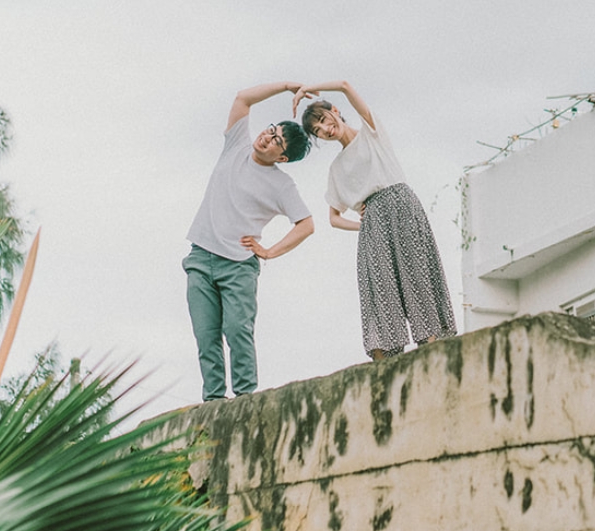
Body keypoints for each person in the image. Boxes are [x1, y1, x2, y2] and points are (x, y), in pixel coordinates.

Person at [294, 79, 456, 361]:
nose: (324, 129)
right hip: (373, 226)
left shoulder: (371, 132)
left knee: (417, 277)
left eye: (323, 120)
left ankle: (431, 352)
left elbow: (345, 85)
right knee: (379, 292)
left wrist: (307, 88)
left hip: (402, 206)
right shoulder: (336, 168)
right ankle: (387, 363)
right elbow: (333, 217)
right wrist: (364, 225)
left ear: (334, 111)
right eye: (317, 131)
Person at [184, 82, 314, 401]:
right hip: (200, 258)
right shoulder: (237, 145)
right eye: (272, 130)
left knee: (238, 332)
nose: (268, 137)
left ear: (282, 158)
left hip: (238, 267)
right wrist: (286, 86)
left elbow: (306, 224)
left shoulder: (282, 186)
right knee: (206, 336)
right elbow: (243, 98)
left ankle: (245, 399)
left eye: (277, 141)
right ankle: (213, 400)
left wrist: (269, 251)